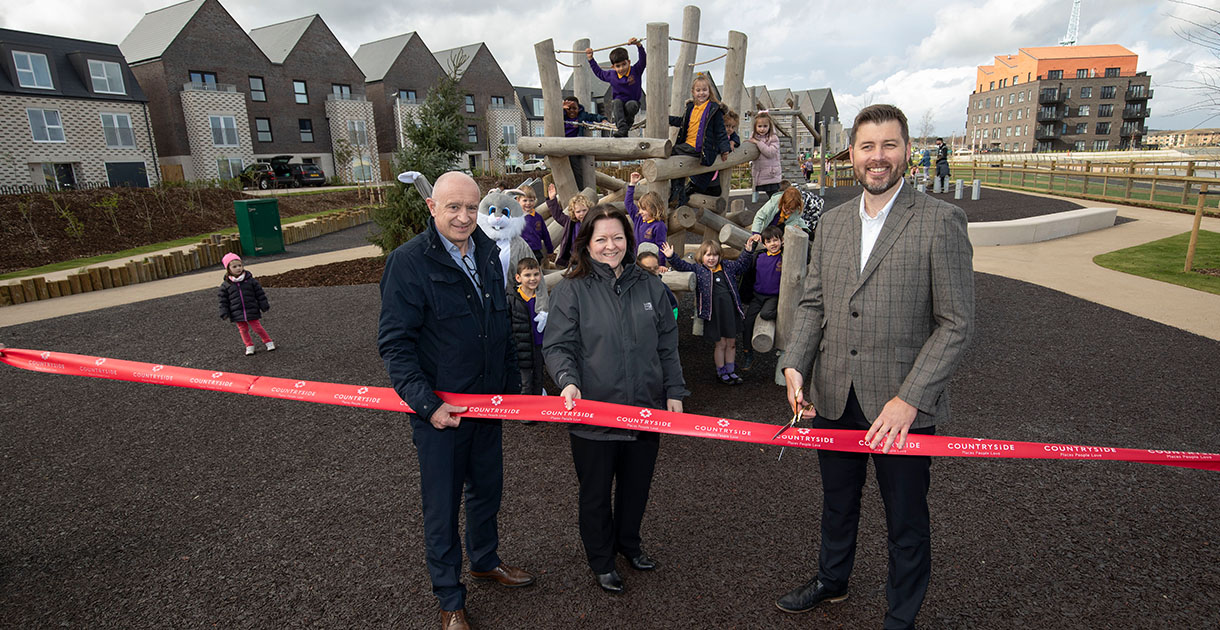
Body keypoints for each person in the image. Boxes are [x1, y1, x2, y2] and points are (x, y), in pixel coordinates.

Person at [774, 105, 975, 630]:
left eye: (889, 145)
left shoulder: (940, 221)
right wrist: (795, 365)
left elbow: (956, 323)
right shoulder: (833, 223)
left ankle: (900, 617)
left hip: (900, 405)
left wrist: (911, 399)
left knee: (905, 519)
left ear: (907, 151)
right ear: (852, 154)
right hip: (834, 394)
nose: (877, 157)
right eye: (867, 146)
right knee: (837, 503)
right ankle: (832, 580)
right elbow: (813, 303)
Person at [378, 171, 535, 630]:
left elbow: (499, 324)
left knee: (487, 492)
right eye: (453, 207)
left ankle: (485, 561)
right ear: (432, 207)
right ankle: (450, 599)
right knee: (442, 507)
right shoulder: (408, 262)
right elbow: (396, 344)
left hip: (487, 406)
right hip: (441, 414)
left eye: (471, 207)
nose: (464, 217)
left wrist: (509, 390)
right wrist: (427, 405)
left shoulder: (486, 252)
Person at [543, 205, 688, 595]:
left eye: (618, 237)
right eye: (602, 239)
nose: (611, 246)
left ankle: (629, 543)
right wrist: (567, 381)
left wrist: (674, 390)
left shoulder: (650, 286)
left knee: (636, 487)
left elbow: (667, 344)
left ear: (629, 239)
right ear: (587, 243)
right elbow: (557, 346)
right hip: (594, 412)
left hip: (644, 409)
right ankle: (602, 559)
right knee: (595, 494)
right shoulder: (572, 289)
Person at [662, 238, 755, 385]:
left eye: (715, 255)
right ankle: (721, 371)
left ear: (719, 256)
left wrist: (748, 251)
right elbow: (682, 266)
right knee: (721, 343)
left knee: (731, 342)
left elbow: (741, 265)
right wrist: (671, 256)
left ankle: (731, 370)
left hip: (730, 311)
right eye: (708, 255)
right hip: (714, 313)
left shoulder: (726, 266)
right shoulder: (699, 269)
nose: (712, 258)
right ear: (702, 256)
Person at [667, 74, 732, 208]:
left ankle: (678, 191)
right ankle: (678, 191)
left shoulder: (714, 109)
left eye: (704, 90)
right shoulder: (691, 107)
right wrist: (667, 119)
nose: (701, 93)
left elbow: (720, 130)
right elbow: (683, 122)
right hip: (687, 145)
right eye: (698, 90)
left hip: (701, 147)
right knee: (675, 159)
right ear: (693, 92)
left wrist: (725, 149)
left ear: (709, 91)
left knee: (673, 152)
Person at [738, 224, 784, 371]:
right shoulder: (759, 256)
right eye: (769, 241)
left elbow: (805, 256)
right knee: (747, 323)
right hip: (758, 296)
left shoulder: (785, 257)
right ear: (764, 244)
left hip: (773, 297)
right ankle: (748, 354)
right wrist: (749, 247)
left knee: (765, 314)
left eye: (776, 240)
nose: (773, 244)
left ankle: (781, 313)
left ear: (782, 241)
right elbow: (744, 266)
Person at [216, 253, 274, 356]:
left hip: (251, 308)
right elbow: (223, 301)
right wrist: (224, 312)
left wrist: (263, 304)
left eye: (240, 265)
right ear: (228, 269)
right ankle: (249, 345)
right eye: (234, 266)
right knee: (243, 330)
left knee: (257, 327)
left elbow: (259, 294)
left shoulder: (250, 281)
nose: (238, 268)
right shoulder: (226, 285)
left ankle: (268, 341)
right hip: (236, 311)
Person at [586, 38, 645, 138]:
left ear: (629, 62)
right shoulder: (611, 75)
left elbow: (643, 60)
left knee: (631, 105)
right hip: (619, 104)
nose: (621, 68)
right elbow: (599, 72)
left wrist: (638, 45)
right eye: (618, 66)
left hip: (633, 103)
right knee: (616, 102)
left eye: (624, 64)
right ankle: (622, 128)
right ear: (613, 67)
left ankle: (628, 123)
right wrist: (591, 59)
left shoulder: (635, 71)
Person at [508, 257, 546, 402]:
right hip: (521, 349)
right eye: (527, 275)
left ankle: (537, 407)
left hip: (539, 347)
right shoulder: (512, 299)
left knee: (538, 379)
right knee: (525, 383)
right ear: (518, 278)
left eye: (536, 274)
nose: (532, 278)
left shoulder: (543, 299)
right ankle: (525, 410)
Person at [562, 96, 606, 190]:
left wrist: (603, 120)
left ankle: (580, 190)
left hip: (574, 147)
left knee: (576, 169)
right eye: (569, 109)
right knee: (562, 170)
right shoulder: (562, 116)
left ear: (578, 108)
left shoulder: (581, 116)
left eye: (574, 108)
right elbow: (553, 116)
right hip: (562, 145)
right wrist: (561, 108)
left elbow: (594, 117)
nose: (572, 111)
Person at [625, 172, 669, 265]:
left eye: (644, 209)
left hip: (651, 264)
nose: (640, 211)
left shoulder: (659, 226)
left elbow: (661, 247)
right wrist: (632, 184)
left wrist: (660, 265)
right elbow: (628, 203)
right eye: (640, 208)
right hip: (637, 260)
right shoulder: (639, 219)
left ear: (654, 208)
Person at [750, 186, 826, 238]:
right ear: (782, 202)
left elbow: (791, 225)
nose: (788, 211)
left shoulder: (797, 210)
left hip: (781, 225)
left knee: (802, 231)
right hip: (769, 224)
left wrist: (785, 239)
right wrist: (756, 233)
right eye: (786, 208)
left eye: (792, 209)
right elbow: (760, 216)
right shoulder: (774, 203)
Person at [545, 183, 590, 268]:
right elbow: (558, 215)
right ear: (574, 213)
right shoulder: (570, 222)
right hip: (573, 257)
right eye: (578, 212)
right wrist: (552, 199)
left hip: (588, 256)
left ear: (589, 209)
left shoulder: (592, 222)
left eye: (584, 210)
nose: (582, 214)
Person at [747, 111, 782, 201]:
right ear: (755, 127)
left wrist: (758, 143)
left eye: (765, 126)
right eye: (759, 126)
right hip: (760, 173)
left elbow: (770, 153)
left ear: (770, 126)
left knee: (774, 196)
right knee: (769, 197)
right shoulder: (754, 138)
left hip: (771, 174)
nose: (762, 129)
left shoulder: (773, 138)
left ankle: (778, 209)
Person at [635, 249, 678, 321]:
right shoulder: (633, 288)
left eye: (655, 268)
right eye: (647, 269)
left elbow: (673, 307)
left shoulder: (662, 288)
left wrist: (671, 322)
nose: (652, 272)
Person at [516, 186, 553, 263]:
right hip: (521, 252)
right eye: (525, 200)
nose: (528, 203)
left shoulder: (538, 217)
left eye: (531, 200)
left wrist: (550, 250)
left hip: (535, 250)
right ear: (518, 200)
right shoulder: (515, 217)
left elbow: (545, 234)